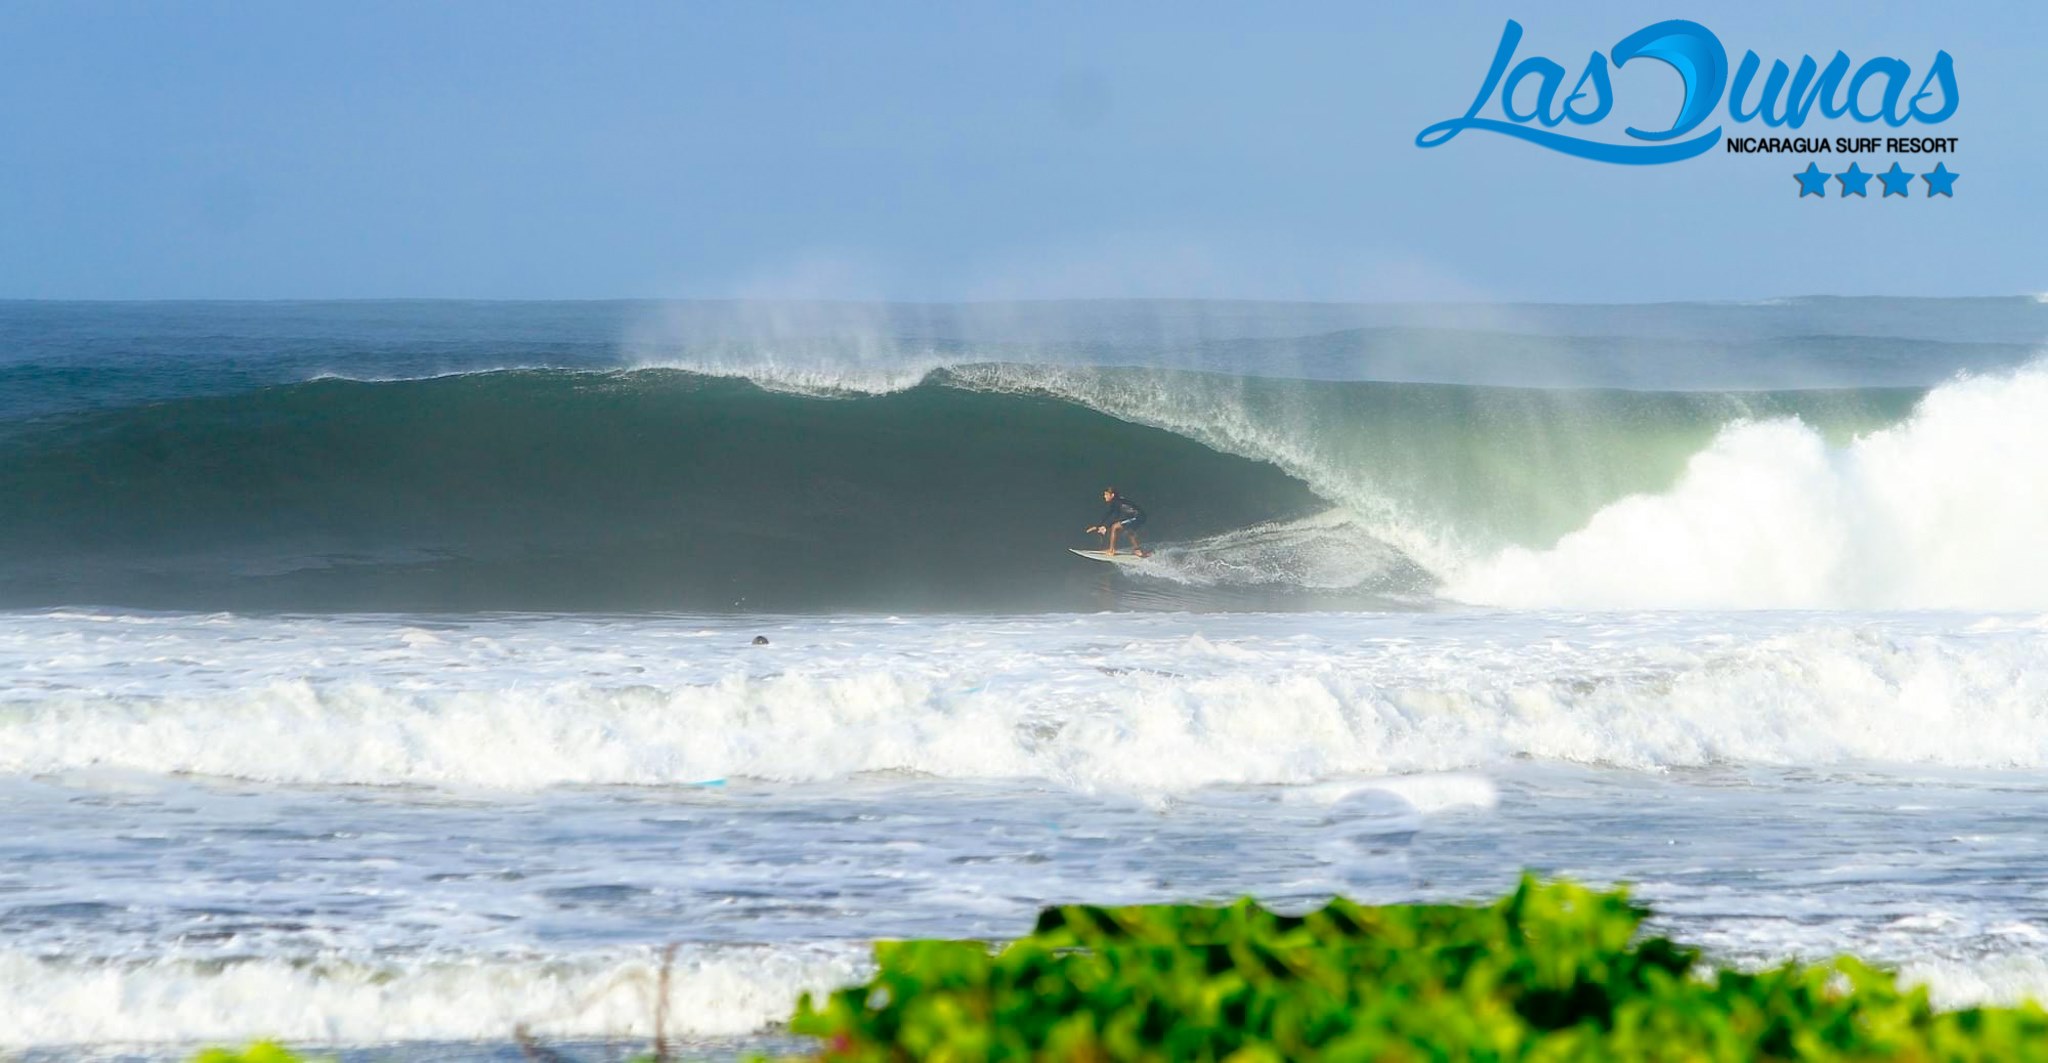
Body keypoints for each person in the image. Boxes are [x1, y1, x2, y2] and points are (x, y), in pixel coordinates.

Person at [1086, 487, 1150, 557]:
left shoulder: (1116, 502)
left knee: (1115, 527)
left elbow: (1115, 517)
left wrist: (1105, 527)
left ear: (1112, 495)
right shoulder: (1117, 501)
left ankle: (1112, 550)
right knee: (1129, 531)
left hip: (1137, 517)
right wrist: (1099, 526)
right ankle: (1138, 551)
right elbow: (1109, 513)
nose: (1104, 497)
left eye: (1106, 495)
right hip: (1140, 516)